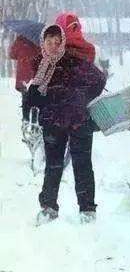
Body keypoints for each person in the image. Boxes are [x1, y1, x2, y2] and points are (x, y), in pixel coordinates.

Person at [25, 24, 106, 225]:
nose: (53, 46)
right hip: (53, 122)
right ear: (42, 43)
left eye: (57, 41)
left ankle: (87, 210)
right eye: (49, 41)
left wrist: (83, 98)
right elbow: (34, 97)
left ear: (62, 42)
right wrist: (35, 99)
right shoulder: (39, 65)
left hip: (80, 122)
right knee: (53, 166)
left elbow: (99, 79)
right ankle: (48, 208)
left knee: (82, 165)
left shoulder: (74, 61)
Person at [8, 35, 40, 125]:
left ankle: (25, 122)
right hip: (34, 76)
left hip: (22, 77)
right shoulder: (38, 41)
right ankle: (34, 124)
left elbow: (12, 55)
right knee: (34, 100)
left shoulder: (19, 40)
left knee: (25, 99)